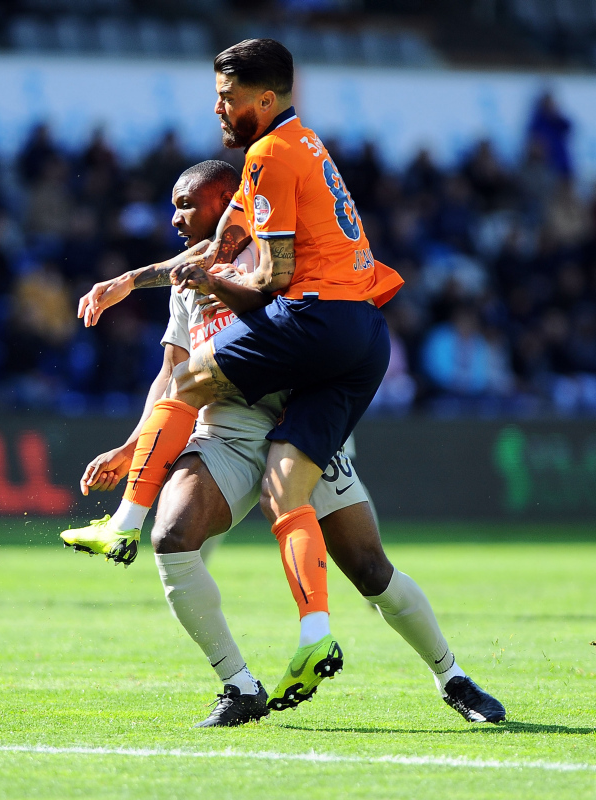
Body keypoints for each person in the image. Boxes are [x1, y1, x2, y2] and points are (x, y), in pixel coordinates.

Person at [69, 161, 506, 726]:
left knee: (370, 570)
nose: (174, 218)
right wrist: (134, 446)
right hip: (225, 431)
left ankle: (453, 677)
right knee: (172, 538)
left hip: (296, 425)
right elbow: (170, 374)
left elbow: (308, 321)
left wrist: (225, 290)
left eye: (186, 204)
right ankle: (239, 685)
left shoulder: (284, 253)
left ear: (227, 200)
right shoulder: (186, 279)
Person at [64, 38, 406, 711]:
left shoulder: (269, 155)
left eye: (227, 96)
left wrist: (217, 285)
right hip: (364, 334)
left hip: (317, 319)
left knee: (189, 382)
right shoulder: (297, 145)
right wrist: (129, 281)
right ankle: (316, 636)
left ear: (265, 99)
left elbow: (272, 278)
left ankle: (123, 524)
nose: (217, 108)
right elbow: (214, 248)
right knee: (289, 491)